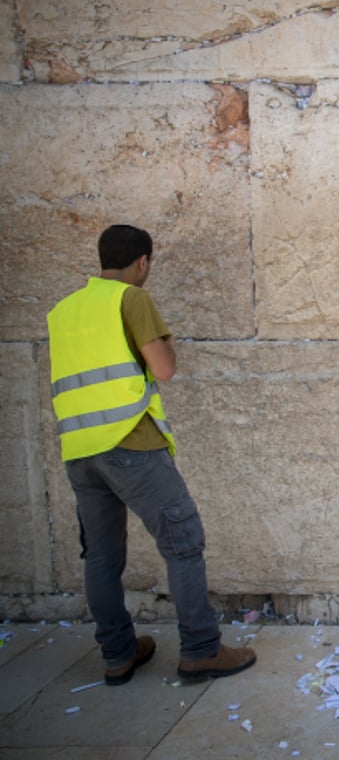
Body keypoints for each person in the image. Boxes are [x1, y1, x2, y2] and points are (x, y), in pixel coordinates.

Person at [46, 224, 256, 685]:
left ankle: (118, 655)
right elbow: (164, 369)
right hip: (131, 444)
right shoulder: (131, 298)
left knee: (101, 557)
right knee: (183, 542)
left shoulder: (62, 311)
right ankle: (201, 650)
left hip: (79, 451)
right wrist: (166, 343)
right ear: (143, 262)